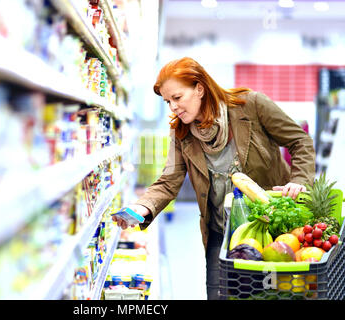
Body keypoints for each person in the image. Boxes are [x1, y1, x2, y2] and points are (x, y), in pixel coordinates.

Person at [111, 57, 316, 300]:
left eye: (177, 98)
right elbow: (169, 180)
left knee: (266, 295)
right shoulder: (181, 132)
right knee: (218, 295)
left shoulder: (251, 105)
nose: (173, 107)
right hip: (220, 230)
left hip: (269, 229)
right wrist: (141, 207)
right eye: (168, 101)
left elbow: (300, 141)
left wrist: (300, 180)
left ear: (200, 88)